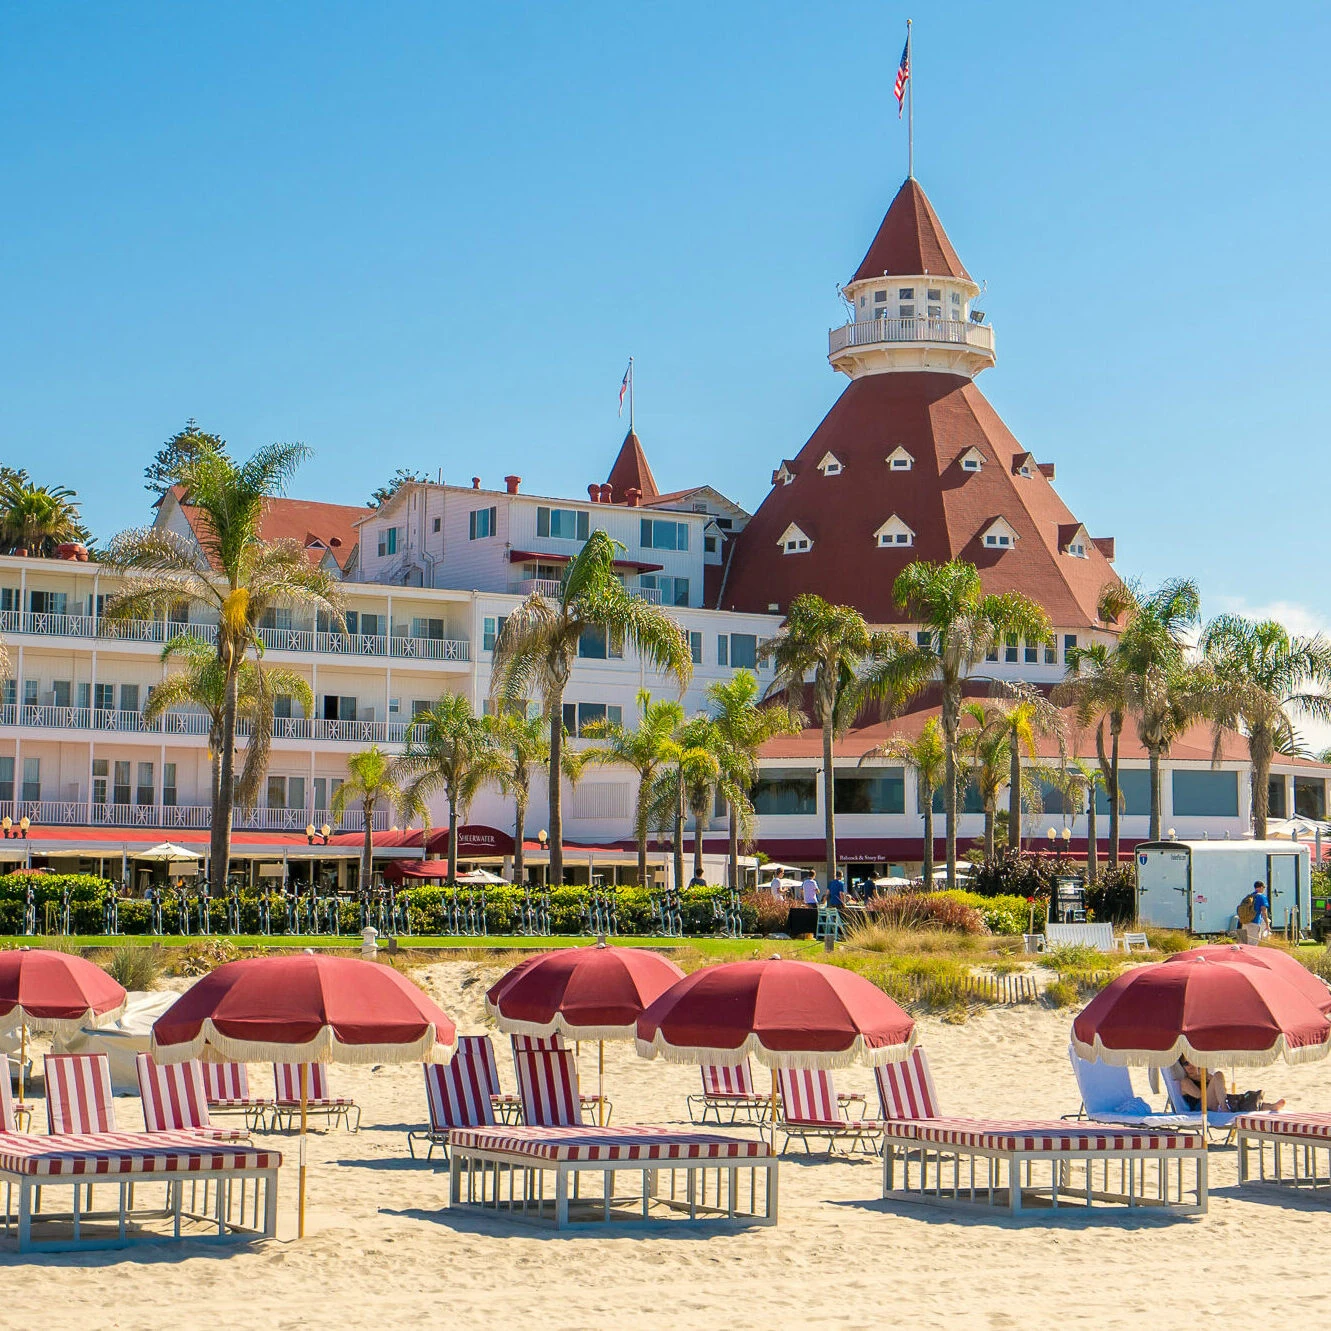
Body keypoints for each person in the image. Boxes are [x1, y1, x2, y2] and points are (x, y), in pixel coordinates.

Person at [1176, 1056, 1284, 1113]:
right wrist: (1206, 1078)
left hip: (1216, 1103)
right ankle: (1225, 1107)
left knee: (1242, 1102)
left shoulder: (1207, 1076)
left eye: (1191, 1062)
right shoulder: (1185, 1082)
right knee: (1218, 1075)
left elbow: (1221, 1090)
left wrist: (1208, 1078)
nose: (1190, 1066)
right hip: (1201, 1108)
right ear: (1182, 1067)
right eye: (1185, 1063)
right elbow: (1201, 1096)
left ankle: (1270, 1106)